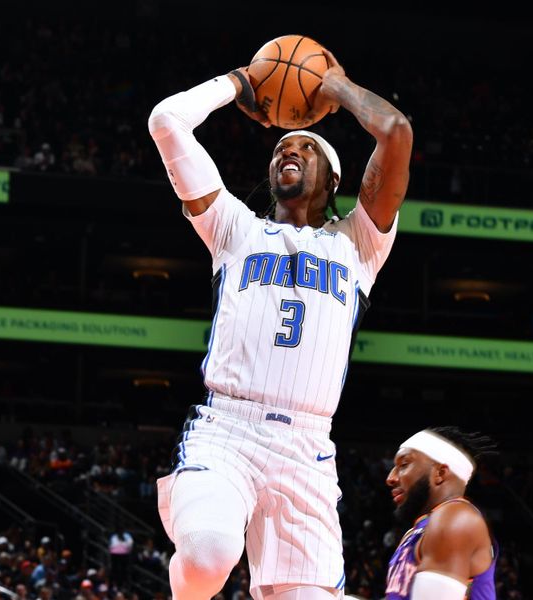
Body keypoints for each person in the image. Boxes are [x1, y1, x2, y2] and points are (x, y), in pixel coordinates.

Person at [148, 46, 412, 600]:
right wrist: (240, 81)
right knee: (208, 556)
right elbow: (166, 121)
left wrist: (331, 84)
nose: (288, 152)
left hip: (308, 450)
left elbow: (395, 132)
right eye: (282, 148)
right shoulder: (233, 229)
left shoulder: (359, 243)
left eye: (304, 148)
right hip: (228, 430)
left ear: (334, 177)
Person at [385, 427, 498, 600]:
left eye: (404, 465)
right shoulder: (414, 533)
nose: (390, 477)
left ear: (440, 473)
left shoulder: (457, 517)